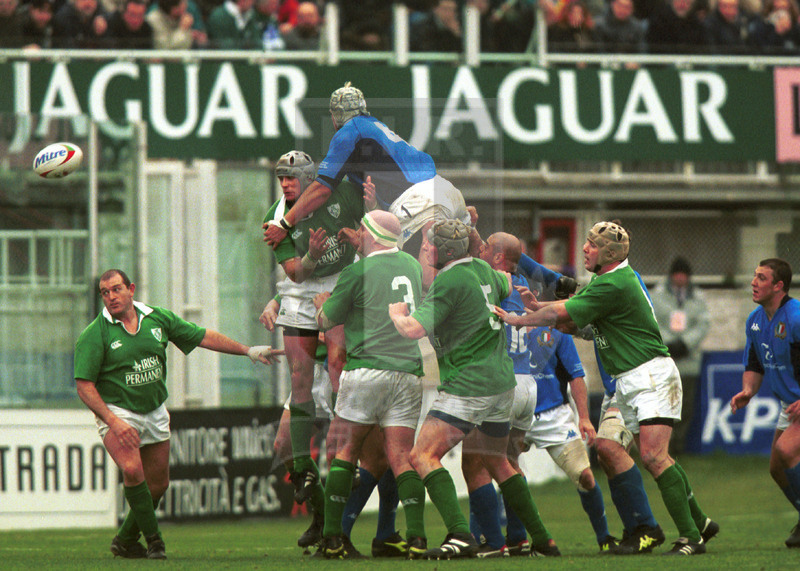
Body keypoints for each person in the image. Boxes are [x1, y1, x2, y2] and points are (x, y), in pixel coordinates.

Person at [494, 220, 716, 555]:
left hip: (649, 376)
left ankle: (689, 536)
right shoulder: (606, 282)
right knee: (616, 450)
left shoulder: (613, 283)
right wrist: (537, 308)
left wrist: (520, 318)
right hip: (628, 380)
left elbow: (563, 310)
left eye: (592, 245)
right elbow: (571, 319)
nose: (584, 249)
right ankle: (693, 523)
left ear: (609, 254)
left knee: (653, 456)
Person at [74, 269, 278, 560]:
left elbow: (202, 336)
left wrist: (248, 351)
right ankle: (155, 542)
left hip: (155, 408)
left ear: (131, 289)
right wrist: (113, 421)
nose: (110, 297)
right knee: (132, 471)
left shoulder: (158, 318)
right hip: (118, 411)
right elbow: (84, 386)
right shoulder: (95, 334)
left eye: (116, 289)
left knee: (158, 485)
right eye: (104, 293)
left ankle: (125, 540)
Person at [389, 219, 557, 560]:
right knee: (498, 461)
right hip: (501, 384)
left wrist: (397, 313)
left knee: (422, 455)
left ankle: (460, 534)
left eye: (430, 246)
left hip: (469, 385)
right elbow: (507, 284)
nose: (427, 251)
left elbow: (412, 330)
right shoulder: (484, 270)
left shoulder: (449, 281)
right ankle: (542, 539)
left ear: (445, 251)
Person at [262, 82, 471, 292]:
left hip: (419, 202)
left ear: (335, 117)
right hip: (445, 190)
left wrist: (284, 223)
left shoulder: (348, 133)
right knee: (463, 261)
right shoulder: (373, 125)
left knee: (422, 281)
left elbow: (322, 189)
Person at [313, 211, 428, 559]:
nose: (358, 234)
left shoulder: (356, 271)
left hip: (366, 371)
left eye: (362, 229)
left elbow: (327, 319)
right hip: (408, 372)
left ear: (374, 234)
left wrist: (323, 305)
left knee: (346, 452)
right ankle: (418, 538)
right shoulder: (410, 265)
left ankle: (332, 539)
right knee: (400, 457)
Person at [262, 150, 363, 535]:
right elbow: (297, 275)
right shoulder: (275, 221)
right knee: (284, 446)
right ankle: (317, 507)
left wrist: (371, 204)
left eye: (291, 178)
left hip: (344, 288)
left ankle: (374, 525)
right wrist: (311, 258)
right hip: (307, 297)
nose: (286, 185)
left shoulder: (340, 194)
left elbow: (376, 224)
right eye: (281, 179)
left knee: (338, 365)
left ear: (310, 180)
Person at [731, 258, 800, 549]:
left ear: (779, 286)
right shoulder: (755, 321)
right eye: (754, 276)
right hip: (790, 405)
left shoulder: (796, 317)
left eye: (761, 277)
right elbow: (755, 363)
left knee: (786, 450)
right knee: (776, 468)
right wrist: (748, 390)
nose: (753, 282)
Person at [650, 256, 710, 455]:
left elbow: (703, 324)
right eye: (677, 274)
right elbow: (652, 321)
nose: (680, 278)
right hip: (665, 358)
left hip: (689, 359)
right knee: (664, 403)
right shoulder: (657, 295)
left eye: (684, 275)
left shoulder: (698, 297)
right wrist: (668, 343)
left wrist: (685, 343)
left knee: (686, 405)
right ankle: (663, 445)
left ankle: (679, 445)